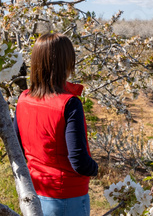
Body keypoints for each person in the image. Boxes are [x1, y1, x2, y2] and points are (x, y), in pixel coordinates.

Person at [14, 33, 98, 216]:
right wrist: (95, 168)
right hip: (67, 197)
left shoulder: (23, 99)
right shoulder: (69, 103)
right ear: (66, 64)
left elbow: (17, 149)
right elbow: (79, 161)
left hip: (34, 192)